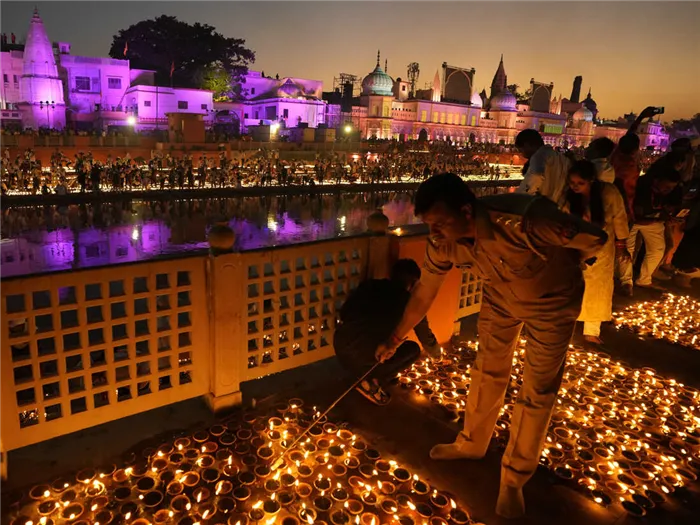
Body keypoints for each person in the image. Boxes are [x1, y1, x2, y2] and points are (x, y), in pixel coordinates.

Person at [375, 173, 607, 518]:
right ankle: (471, 444)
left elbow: (596, 240)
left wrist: (567, 262)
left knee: (537, 390)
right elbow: (425, 290)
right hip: (499, 298)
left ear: (467, 211)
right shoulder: (443, 243)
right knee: (487, 371)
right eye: (428, 225)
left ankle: (513, 479)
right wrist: (394, 338)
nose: (434, 233)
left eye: (439, 223)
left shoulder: (525, 219)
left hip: (552, 303)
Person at [334, 259, 441, 406]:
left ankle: (368, 374)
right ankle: (371, 381)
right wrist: (437, 354)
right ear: (414, 282)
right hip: (366, 356)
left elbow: (345, 312)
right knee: (413, 349)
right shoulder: (409, 301)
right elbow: (424, 334)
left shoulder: (370, 285)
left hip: (340, 346)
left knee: (380, 346)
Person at [562, 160, 630, 345]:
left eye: (580, 183)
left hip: (602, 248)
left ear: (591, 180)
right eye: (572, 183)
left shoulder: (608, 192)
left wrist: (622, 244)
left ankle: (591, 330)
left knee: (597, 289)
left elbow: (620, 217)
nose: (575, 187)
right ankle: (565, 325)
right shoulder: (569, 196)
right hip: (575, 247)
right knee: (571, 286)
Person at [618, 167, 682, 294]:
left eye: (671, 188)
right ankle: (626, 282)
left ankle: (644, 280)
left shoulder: (667, 192)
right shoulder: (641, 187)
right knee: (627, 250)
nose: (669, 190)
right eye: (667, 186)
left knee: (657, 249)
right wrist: (660, 220)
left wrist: (667, 216)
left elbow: (661, 207)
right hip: (631, 219)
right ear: (657, 180)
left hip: (653, 219)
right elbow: (637, 218)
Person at [515, 129, 570, 206]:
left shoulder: (538, 156)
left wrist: (516, 200)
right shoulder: (561, 158)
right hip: (558, 208)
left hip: (544, 208)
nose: (522, 154)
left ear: (527, 145)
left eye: (521, 150)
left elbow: (533, 181)